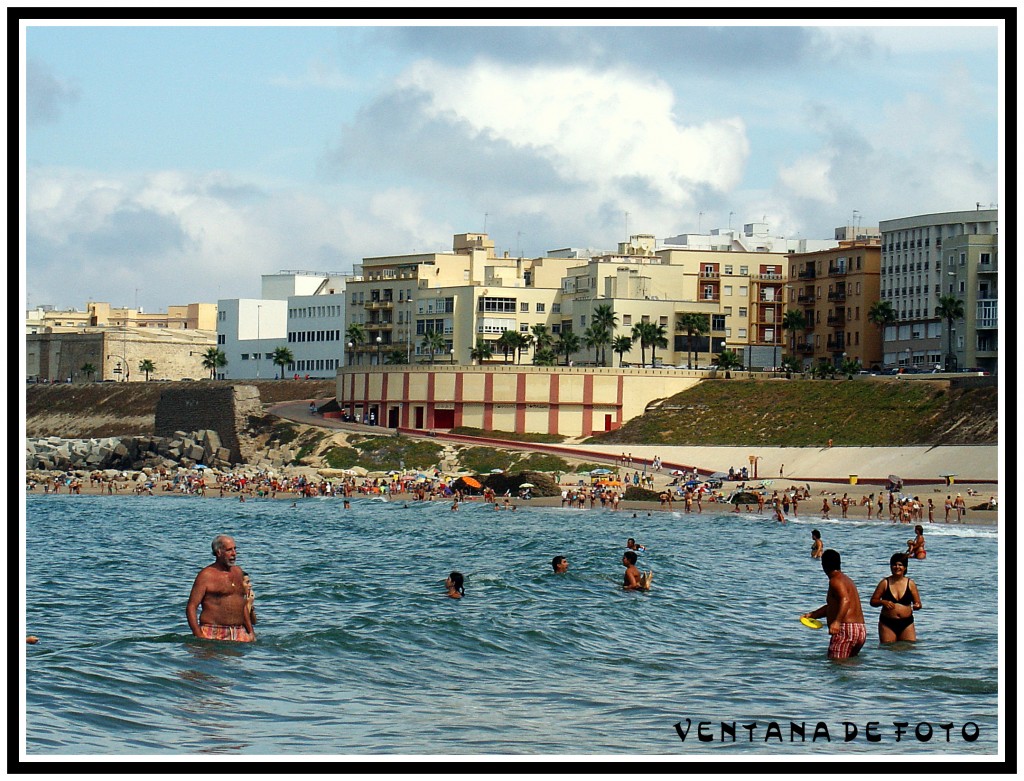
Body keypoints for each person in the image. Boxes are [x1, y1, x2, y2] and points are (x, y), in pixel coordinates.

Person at [186, 534, 255, 642]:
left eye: (235, 549)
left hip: (239, 633)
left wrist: (251, 632)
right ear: (218, 552)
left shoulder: (238, 572)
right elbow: (191, 607)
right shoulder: (206, 575)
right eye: (229, 550)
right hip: (213, 632)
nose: (234, 554)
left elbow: (242, 605)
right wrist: (198, 635)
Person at [801, 549, 866, 659]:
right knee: (850, 666)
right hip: (859, 629)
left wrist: (837, 622)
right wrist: (813, 615)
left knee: (836, 664)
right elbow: (833, 606)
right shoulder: (847, 580)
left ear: (823, 565)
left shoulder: (835, 581)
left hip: (846, 628)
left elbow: (845, 601)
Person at [869, 553, 922, 642]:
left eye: (900, 565)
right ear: (890, 567)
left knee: (909, 648)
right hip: (887, 623)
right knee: (887, 649)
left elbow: (918, 603)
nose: (897, 567)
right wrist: (883, 602)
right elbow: (873, 601)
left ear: (905, 567)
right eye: (894, 564)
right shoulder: (884, 583)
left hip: (907, 623)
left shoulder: (910, 583)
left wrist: (917, 606)